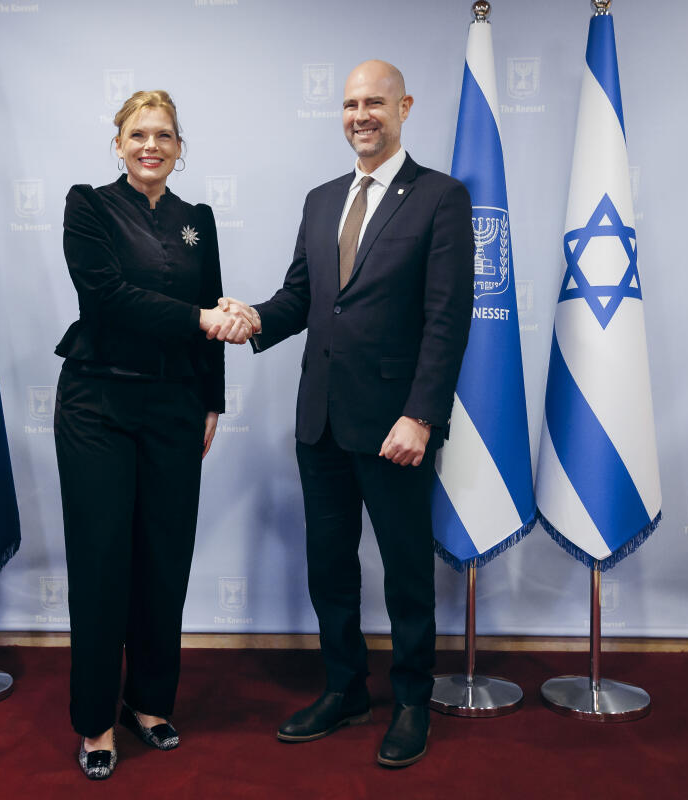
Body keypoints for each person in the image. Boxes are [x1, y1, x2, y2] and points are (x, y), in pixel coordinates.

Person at [220, 60, 474, 768]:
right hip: (321, 422)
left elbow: (446, 319)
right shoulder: (322, 197)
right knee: (330, 567)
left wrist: (421, 415)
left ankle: (413, 701)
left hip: (396, 426)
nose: (360, 115)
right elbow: (301, 298)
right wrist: (252, 319)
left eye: (374, 103)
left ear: (404, 108)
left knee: (403, 573)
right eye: (350, 104)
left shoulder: (441, 198)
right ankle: (345, 689)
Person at [55, 89, 255, 780]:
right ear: (118, 144)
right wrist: (201, 320)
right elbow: (106, 296)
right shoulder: (88, 205)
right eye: (139, 133)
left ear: (179, 148)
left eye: (164, 135)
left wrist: (212, 400)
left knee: (164, 558)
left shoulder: (197, 219)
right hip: (98, 404)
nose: (151, 145)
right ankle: (94, 721)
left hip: (175, 407)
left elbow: (217, 299)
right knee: (103, 561)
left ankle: (149, 703)